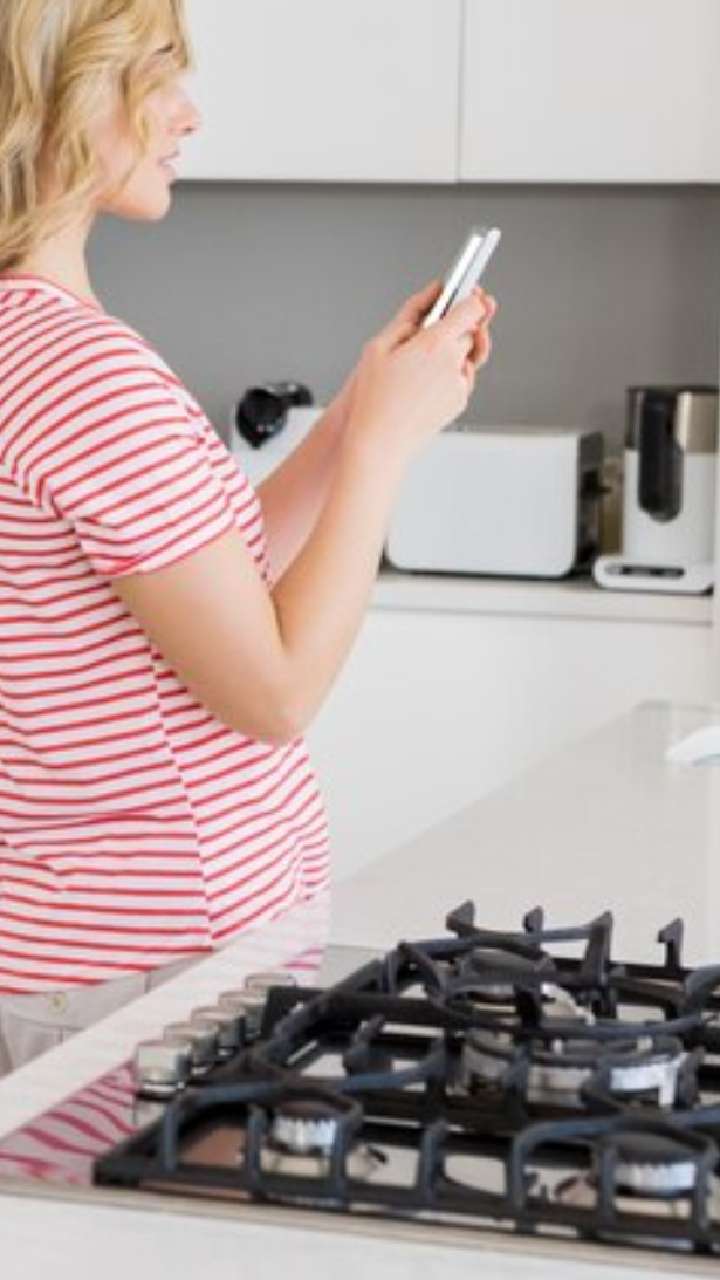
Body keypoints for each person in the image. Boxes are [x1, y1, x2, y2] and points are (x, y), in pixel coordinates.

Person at [0, 0, 497, 1074]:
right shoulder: (87, 373)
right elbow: (270, 692)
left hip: (85, 956)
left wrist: (359, 410)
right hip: (150, 971)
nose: (188, 114)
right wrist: (385, 451)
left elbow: (207, 583)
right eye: (156, 76)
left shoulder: (32, 346)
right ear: (62, 100)